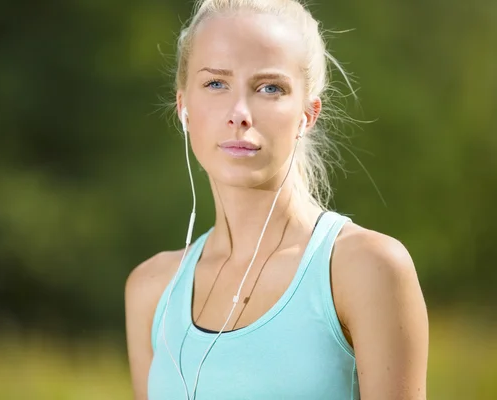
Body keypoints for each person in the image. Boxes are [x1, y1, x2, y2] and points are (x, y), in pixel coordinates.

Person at [125, 0, 429, 399]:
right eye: (216, 83)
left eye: (270, 88)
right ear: (183, 106)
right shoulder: (150, 289)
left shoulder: (365, 269)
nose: (239, 113)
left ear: (307, 114)